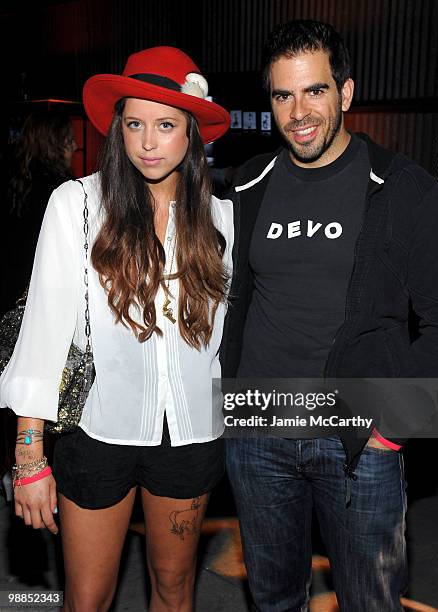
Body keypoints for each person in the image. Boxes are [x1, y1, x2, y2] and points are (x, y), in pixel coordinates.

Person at [221, 20, 438, 611]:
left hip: (356, 435)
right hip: (259, 430)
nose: (298, 111)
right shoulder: (249, 183)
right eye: (283, 95)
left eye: (315, 91)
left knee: (369, 601)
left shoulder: (404, 189)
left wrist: (390, 428)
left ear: (346, 92)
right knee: (274, 597)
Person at [0, 46, 232, 612]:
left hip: (192, 438)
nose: (148, 142)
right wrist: (30, 457)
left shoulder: (223, 218)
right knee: (88, 599)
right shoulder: (77, 204)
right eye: (134, 123)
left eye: (165, 125)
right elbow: (43, 335)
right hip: (98, 435)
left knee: (175, 590)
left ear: (192, 134)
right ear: (117, 128)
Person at [1, 111, 76, 313]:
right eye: (70, 141)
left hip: (11, 287)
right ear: (54, 146)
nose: (75, 147)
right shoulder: (61, 192)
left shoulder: (15, 180)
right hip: (40, 295)